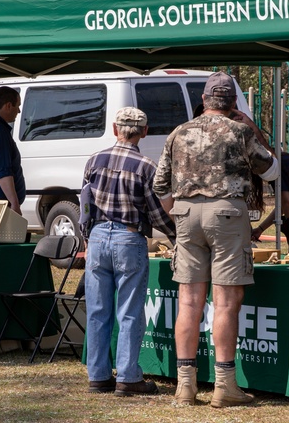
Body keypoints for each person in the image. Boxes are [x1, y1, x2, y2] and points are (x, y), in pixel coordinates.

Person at [154, 72, 279, 407]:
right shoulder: (239, 131)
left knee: (189, 302)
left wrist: (176, 214)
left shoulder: (179, 132)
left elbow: (159, 184)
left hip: (185, 214)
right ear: (233, 103)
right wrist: (249, 128)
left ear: (204, 100)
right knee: (225, 303)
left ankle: (185, 386)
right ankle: (224, 385)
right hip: (227, 213)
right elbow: (272, 171)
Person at [82, 107, 175, 397]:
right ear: (144, 131)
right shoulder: (147, 166)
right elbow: (157, 212)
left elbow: (85, 204)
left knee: (98, 310)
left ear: (114, 129)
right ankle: (128, 376)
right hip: (129, 237)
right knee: (130, 312)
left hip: (98, 236)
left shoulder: (94, 160)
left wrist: (88, 236)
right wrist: (175, 236)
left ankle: (97, 375)